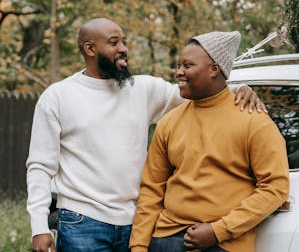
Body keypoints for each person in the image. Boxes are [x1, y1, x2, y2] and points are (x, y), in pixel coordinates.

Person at [26, 18, 265, 252]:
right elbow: (40, 166)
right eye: (114, 42)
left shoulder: (142, 88)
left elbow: (202, 92)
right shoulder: (58, 96)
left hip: (135, 222)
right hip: (82, 222)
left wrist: (239, 90)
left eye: (124, 42)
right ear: (90, 49)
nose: (123, 49)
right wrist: (39, 227)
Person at [129, 31, 290, 252]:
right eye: (179, 65)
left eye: (188, 65)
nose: (179, 72)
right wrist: (138, 246)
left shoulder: (254, 121)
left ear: (214, 69)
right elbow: (151, 189)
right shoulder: (169, 122)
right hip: (164, 239)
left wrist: (218, 231)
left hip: (222, 243)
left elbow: (275, 187)